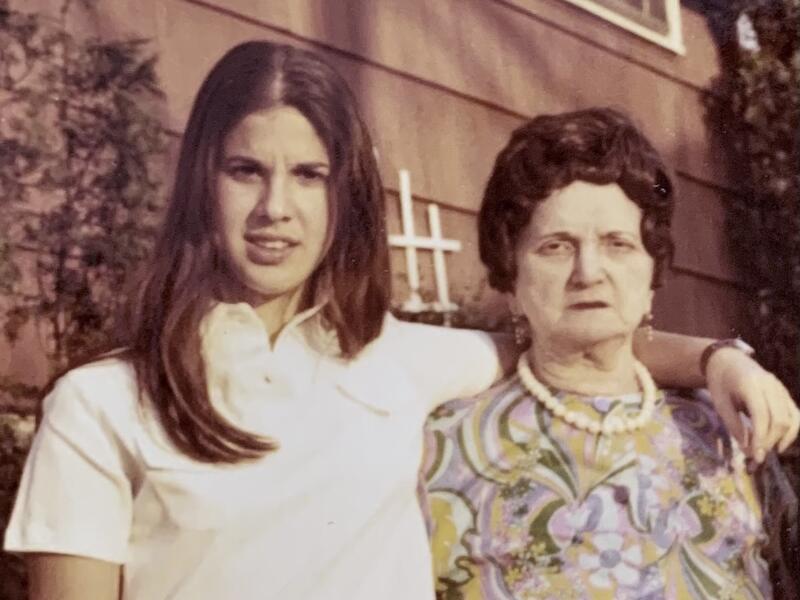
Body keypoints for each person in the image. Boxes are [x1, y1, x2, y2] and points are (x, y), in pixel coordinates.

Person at [3, 42, 796, 600]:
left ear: (343, 193)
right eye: (246, 170)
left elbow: (577, 333)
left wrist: (723, 360)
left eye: (309, 176)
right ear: (201, 184)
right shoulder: (99, 404)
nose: (276, 209)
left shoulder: (399, 359)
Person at [422, 108, 782, 599]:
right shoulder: (442, 447)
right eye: (555, 247)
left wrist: (721, 359)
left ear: (651, 276)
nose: (589, 271)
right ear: (511, 277)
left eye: (618, 244)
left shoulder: (726, 425)